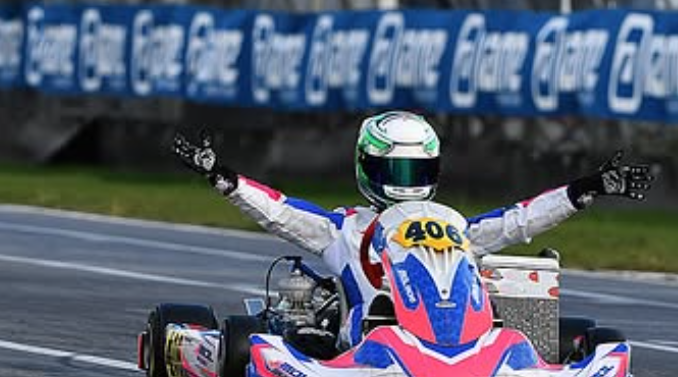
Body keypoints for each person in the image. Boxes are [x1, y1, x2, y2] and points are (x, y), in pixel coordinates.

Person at [172, 111, 653, 353]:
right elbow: (278, 212)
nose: (405, 183)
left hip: (459, 340)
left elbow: (519, 220)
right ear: (368, 168)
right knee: (257, 345)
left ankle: (468, 343)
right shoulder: (344, 228)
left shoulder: (454, 225)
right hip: (365, 340)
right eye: (394, 170)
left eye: (414, 170)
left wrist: (586, 188)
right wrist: (223, 177)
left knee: (588, 339)